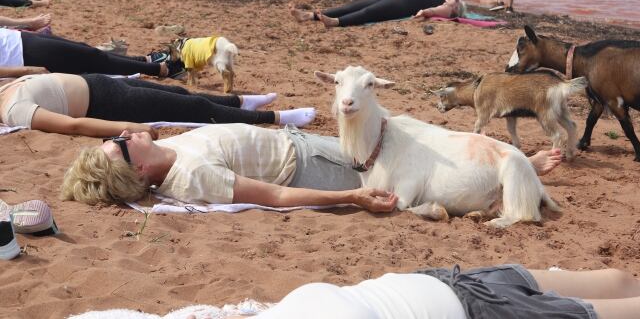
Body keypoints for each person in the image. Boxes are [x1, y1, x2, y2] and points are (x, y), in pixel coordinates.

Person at [62, 123, 562, 211]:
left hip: (298, 144)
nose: (123, 137)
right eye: (120, 147)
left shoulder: (165, 152)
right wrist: (349, 198)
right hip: (309, 166)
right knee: (398, 168)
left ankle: (510, 166)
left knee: (396, 148)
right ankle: (508, 174)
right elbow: (274, 197)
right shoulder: (191, 178)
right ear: (139, 173)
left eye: (114, 138)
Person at [210, 263, 640, 319]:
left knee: (623, 281)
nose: (133, 135)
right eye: (124, 146)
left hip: (442, 279)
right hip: (484, 314)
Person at [0, 73, 315, 137]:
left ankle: (241, 100)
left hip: (100, 82)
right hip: (107, 103)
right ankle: (276, 117)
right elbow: (73, 125)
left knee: (179, 92)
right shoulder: (15, 111)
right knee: (191, 110)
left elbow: (37, 71)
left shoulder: (6, 88)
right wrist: (128, 128)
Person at [0, 28, 174, 78]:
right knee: (93, 59)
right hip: (22, 56)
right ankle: (157, 68)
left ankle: (144, 61)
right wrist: (28, 70)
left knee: (87, 50)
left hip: (17, 40)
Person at [290, 0, 465, 27]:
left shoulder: (449, 8)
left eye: (456, 1)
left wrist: (423, 13)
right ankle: (308, 16)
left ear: (456, 7)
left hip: (403, 4)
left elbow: (433, 12)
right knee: (351, 6)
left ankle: (335, 22)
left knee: (369, 13)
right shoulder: (444, 0)